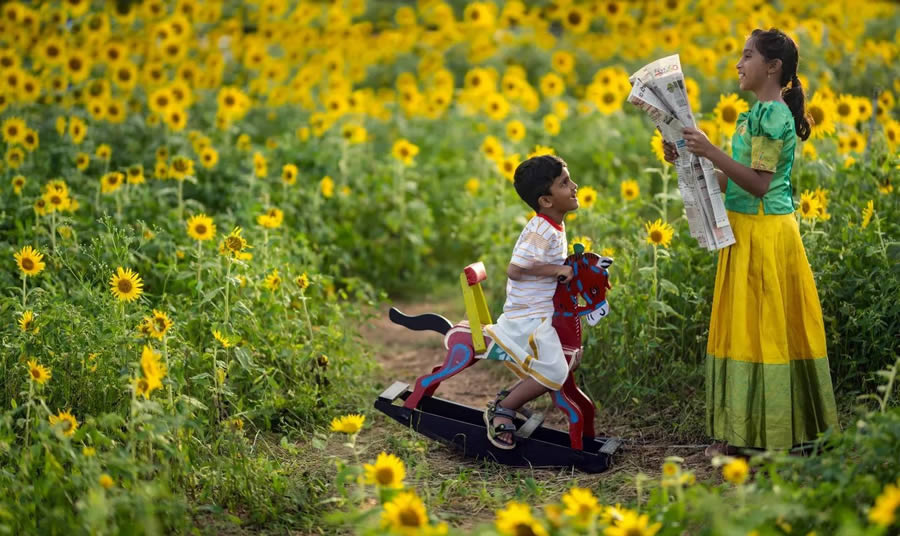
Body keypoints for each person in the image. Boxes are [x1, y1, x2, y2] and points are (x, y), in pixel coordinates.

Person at [664, 28, 839, 456]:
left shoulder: (772, 116)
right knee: (747, 332)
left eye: (747, 56)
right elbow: (733, 183)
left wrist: (709, 150)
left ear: (773, 67)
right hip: (744, 231)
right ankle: (747, 436)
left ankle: (770, 438)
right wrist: (689, 156)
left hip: (766, 235)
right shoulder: (755, 114)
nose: (739, 64)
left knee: (767, 333)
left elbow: (760, 185)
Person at [481, 154, 579, 450]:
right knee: (556, 371)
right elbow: (515, 269)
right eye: (564, 183)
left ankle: (509, 397)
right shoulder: (540, 230)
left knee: (570, 359)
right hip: (528, 317)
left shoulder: (553, 225)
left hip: (541, 312)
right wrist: (557, 270)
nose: (575, 186)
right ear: (546, 201)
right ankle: (503, 410)